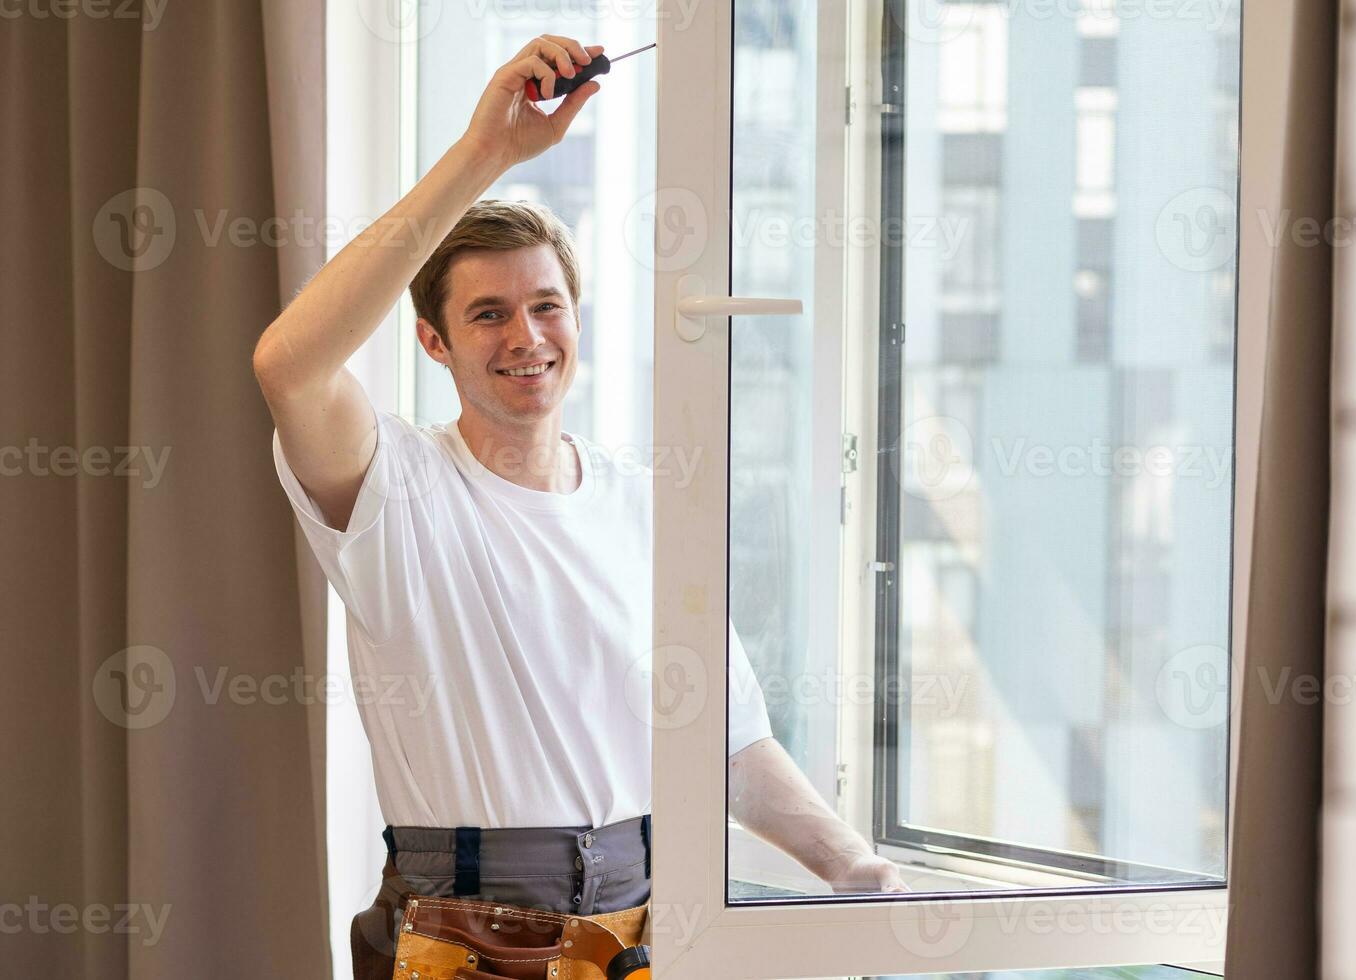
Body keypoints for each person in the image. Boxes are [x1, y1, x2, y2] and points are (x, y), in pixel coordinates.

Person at [252, 33, 907, 980]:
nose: (526, 336)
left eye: (547, 305)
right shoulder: (396, 489)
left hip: (644, 931)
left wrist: (852, 867)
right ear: (434, 341)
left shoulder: (649, 505)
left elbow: (725, 743)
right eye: (488, 314)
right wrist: (489, 150)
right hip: (464, 935)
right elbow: (287, 364)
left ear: (578, 315)